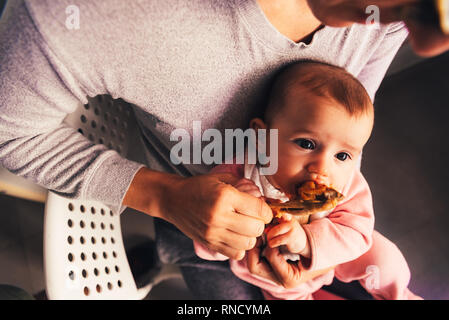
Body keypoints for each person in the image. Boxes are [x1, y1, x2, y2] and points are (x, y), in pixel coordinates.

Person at [1, 0, 447, 299]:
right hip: (200, 227)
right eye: (422, 8)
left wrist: (312, 246)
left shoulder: (385, 20)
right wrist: (168, 198)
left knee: (383, 261)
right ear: (258, 135)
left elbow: (347, 133)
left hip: (322, 250)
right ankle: (158, 256)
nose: (426, 45)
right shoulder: (85, 15)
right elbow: (10, 132)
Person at [194, 61, 421, 300]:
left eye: (342, 156)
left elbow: (358, 232)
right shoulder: (239, 174)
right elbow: (208, 231)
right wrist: (235, 210)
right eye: (306, 144)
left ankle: (401, 295)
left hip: (338, 250)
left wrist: (306, 241)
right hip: (274, 271)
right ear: (262, 138)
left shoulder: (346, 183)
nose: (322, 168)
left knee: (384, 258)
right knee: (285, 294)